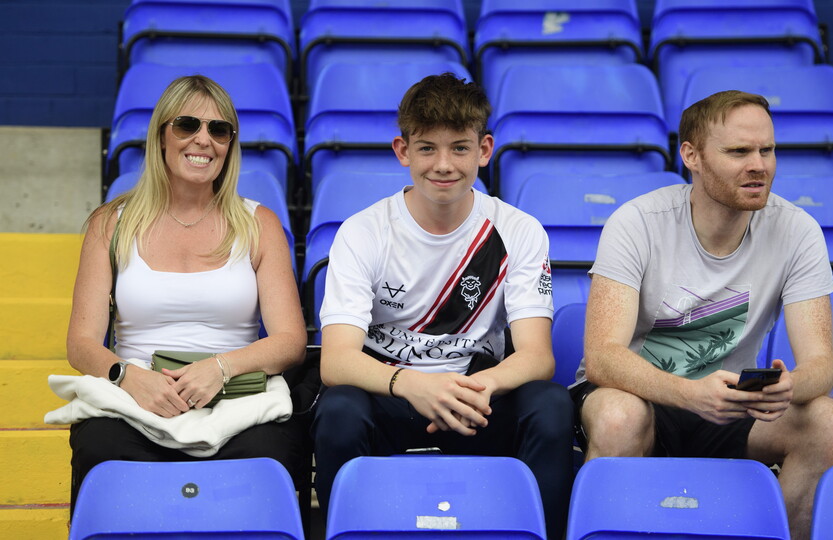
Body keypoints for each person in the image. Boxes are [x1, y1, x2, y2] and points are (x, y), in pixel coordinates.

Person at [570, 90, 833, 540]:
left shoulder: (797, 230)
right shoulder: (637, 222)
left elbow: (822, 365)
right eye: (738, 152)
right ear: (691, 156)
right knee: (619, 416)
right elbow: (603, 358)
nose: (759, 165)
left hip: (732, 404)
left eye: (767, 150)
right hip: (642, 395)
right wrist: (689, 393)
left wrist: (790, 387)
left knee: (826, 422)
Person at [311, 72, 573, 539]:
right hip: (392, 394)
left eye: (460, 148)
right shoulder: (362, 231)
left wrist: (473, 389)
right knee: (339, 411)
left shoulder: (519, 230)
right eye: (427, 148)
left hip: (478, 397)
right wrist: (413, 385)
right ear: (403, 151)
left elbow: (538, 356)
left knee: (550, 406)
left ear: (484, 150)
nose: (444, 164)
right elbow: (336, 361)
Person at [65, 75, 307, 506]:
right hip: (135, 397)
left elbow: (290, 340)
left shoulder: (259, 224)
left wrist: (220, 368)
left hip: (235, 399)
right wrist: (130, 377)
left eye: (219, 129)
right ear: (161, 135)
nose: (203, 140)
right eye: (187, 125)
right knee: (100, 447)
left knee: (269, 454)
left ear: (230, 144)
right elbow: (81, 344)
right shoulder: (111, 224)